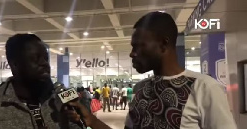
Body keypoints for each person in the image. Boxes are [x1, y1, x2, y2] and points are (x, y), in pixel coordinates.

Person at [65, 12, 237, 129]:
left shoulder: (204, 88)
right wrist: (92, 121)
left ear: (163, 44)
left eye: (139, 46)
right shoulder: (140, 89)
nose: (132, 53)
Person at [0, 34, 83, 129]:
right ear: (15, 65)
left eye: (46, 58)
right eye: (35, 58)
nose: (44, 63)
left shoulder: (60, 99)